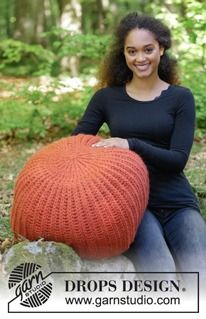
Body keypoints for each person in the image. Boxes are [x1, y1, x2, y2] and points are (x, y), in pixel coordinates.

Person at [72, 12, 206, 282]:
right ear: (123, 53)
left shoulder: (181, 98)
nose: (140, 58)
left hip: (177, 202)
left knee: (200, 277)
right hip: (131, 204)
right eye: (131, 51)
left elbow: (177, 160)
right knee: (162, 275)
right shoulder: (106, 98)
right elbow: (76, 146)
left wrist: (131, 144)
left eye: (148, 49)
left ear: (162, 49)